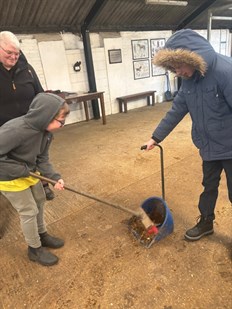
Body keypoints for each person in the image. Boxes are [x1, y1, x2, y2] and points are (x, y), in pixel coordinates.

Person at [145, 29, 232, 241]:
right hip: (208, 146)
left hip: (230, 146)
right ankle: (206, 222)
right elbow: (177, 109)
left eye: (179, 66)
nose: (178, 72)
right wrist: (155, 137)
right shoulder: (189, 79)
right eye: (173, 67)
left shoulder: (225, 72)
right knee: (208, 186)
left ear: (192, 57)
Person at [0, 92, 70, 266]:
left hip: (28, 173)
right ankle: (34, 249)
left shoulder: (45, 133)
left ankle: (42, 234)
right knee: (29, 211)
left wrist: (54, 178)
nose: (62, 125)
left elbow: (42, 159)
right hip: (9, 177)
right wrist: (20, 169)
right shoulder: (15, 130)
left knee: (40, 200)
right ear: (46, 116)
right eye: (60, 121)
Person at [0, 30, 54, 200]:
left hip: (31, 128)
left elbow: (40, 94)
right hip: (5, 130)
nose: (14, 57)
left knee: (36, 157)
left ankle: (42, 183)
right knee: (9, 164)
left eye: (17, 53)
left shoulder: (27, 70)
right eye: (9, 52)